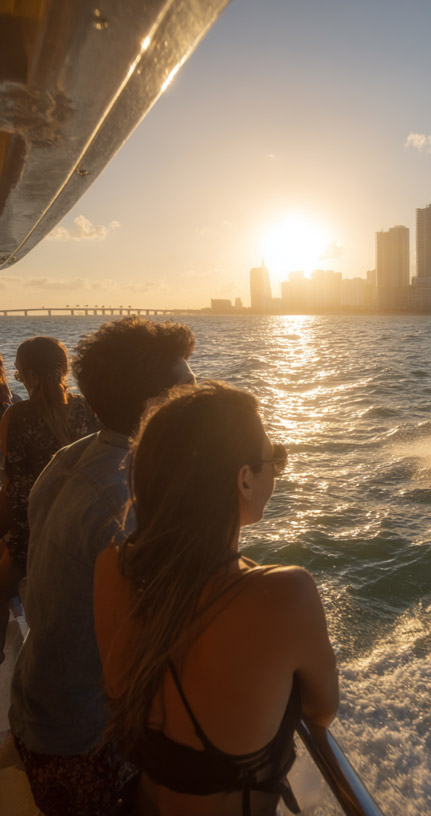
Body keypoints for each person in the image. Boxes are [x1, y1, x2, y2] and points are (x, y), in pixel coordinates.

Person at [94, 381, 338, 816]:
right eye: (273, 460)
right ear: (244, 479)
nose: (277, 470)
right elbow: (321, 712)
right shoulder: (283, 594)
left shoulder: (113, 569)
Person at [8, 317, 196, 814]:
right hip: (80, 739)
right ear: (155, 405)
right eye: (190, 393)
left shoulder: (72, 459)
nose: (203, 405)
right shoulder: (124, 501)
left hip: (36, 704)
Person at [0, 337, 101, 579]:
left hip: (35, 523)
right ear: (64, 369)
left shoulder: (16, 416)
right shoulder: (88, 408)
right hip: (84, 518)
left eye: (18, 374)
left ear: (31, 376)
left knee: (1, 586)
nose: (19, 379)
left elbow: (16, 485)